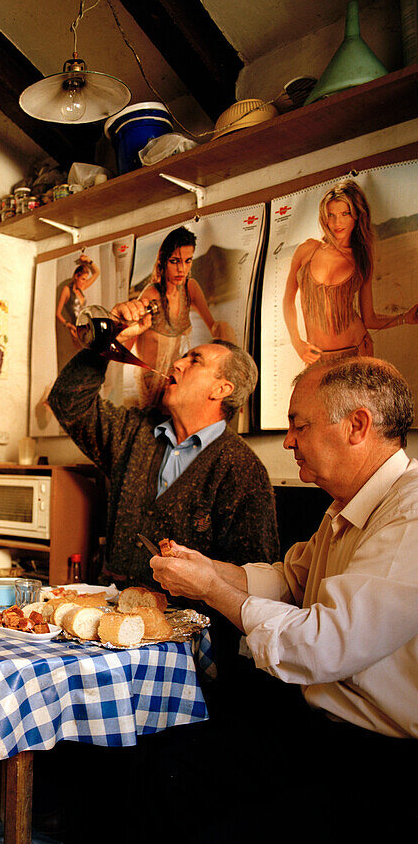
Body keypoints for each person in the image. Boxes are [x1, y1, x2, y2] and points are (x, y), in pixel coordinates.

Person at [133, 357, 418, 844]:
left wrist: (212, 593)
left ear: (357, 425)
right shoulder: (346, 508)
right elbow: (288, 579)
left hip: (393, 768)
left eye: (297, 425)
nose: (287, 440)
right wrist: (212, 569)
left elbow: (321, 643)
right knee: (164, 768)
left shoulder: (410, 517)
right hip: (324, 735)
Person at [48, 299, 279, 703]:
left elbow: (256, 579)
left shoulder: (241, 468)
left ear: (221, 388)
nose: (177, 363)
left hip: (186, 662)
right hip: (108, 637)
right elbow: (68, 401)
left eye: (194, 360)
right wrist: (108, 344)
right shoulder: (134, 434)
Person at [283, 178, 418, 365]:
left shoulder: (362, 257)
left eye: (345, 214)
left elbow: (368, 318)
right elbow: (288, 300)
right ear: (324, 217)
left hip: (357, 350)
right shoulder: (307, 249)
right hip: (317, 357)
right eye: (331, 215)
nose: (337, 222)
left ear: (357, 216)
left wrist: (405, 318)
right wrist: (297, 343)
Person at [128, 226, 232, 406]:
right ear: (163, 261)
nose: (181, 269)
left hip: (176, 378)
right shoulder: (151, 295)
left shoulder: (190, 288)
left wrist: (226, 335)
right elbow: (126, 343)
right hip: (151, 383)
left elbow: (213, 327)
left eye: (188, 261)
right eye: (175, 261)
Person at [55, 252, 99, 369]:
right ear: (76, 276)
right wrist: (68, 325)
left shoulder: (82, 288)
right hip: (76, 329)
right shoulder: (67, 290)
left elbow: (97, 272)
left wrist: (88, 261)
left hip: (88, 326)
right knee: (83, 358)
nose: (84, 282)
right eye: (83, 279)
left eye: (86, 279)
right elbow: (58, 314)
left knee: (92, 357)